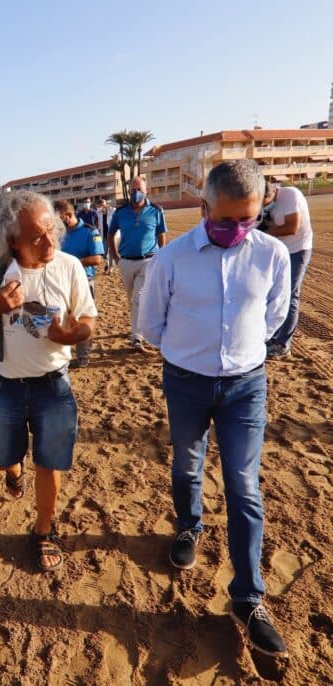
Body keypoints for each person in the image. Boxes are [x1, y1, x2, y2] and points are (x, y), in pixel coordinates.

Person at [138, 160, 290, 658]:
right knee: (187, 462)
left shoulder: (271, 255)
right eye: (226, 221)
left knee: (244, 485)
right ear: (204, 208)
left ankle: (247, 598)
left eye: (248, 219)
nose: (238, 230)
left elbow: (273, 316)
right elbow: (151, 326)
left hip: (246, 385)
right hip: (185, 382)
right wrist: (193, 353)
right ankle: (189, 525)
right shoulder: (172, 258)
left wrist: (236, 355)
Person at [0, 191, 97, 572]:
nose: (49, 241)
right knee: (3, 455)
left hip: (53, 385)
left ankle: (43, 530)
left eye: (51, 230)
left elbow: (88, 319)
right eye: (37, 235)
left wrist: (73, 336)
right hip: (4, 386)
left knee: (49, 462)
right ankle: (12, 471)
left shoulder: (69, 266)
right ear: (12, 240)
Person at [108, 177, 167, 348]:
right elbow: (110, 234)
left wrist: (160, 255)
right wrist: (116, 257)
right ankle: (137, 323)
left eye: (139, 189)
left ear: (146, 190)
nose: (136, 193)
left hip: (148, 260)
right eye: (133, 190)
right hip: (126, 261)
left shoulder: (156, 211)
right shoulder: (120, 213)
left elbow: (161, 234)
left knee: (138, 298)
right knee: (132, 298)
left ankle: (136, 336)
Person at [259, 182, 314, 358]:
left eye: (265, 201)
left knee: (290, 294)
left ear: (273, 191)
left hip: (298, 249)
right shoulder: (261, 203)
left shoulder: (291, 195)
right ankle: (272, 336)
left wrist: (266, 233)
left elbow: (292, 227)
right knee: (272, 293)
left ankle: (283, 344)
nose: (264, 205)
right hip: (279, 250)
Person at [54, 199, 103, 367]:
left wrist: (72, 264)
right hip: (60, 282)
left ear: (68, 215)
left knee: (83, 318)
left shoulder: (90, 232)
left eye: (59, 218)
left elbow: (97, 259)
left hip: (83, 282)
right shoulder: (58, 233)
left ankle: (83, 356)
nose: (56, 223)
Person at [95, 198, 116, 273]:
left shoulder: (112, 210)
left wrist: (109, 207)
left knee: (110, 252)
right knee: (103, 251)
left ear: (106, 204)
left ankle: (111, 268)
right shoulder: (98, 212)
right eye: (100, 206)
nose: (101, 207)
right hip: (103, 234)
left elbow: (116, 212)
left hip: (111, 234)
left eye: (102, 205)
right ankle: (107, 263)